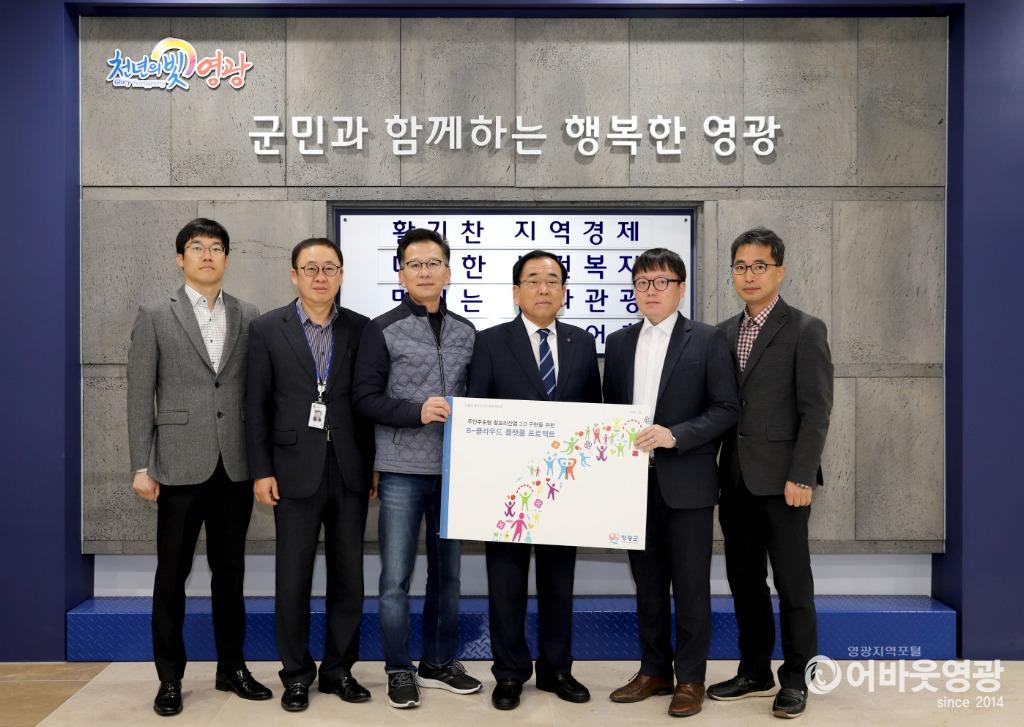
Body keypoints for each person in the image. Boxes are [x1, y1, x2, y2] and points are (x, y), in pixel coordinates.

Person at [127, 218, 270, 716]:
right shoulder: (154, 314)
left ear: (227, 258)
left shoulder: (248, 314)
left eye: (215, 248)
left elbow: (255, 393)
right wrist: (141, 465)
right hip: (177, 465)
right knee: (172, 575)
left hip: (234, 465)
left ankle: (232, 668)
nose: (207, 255)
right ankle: (169, 678)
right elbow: (139, 396)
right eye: (196, 247)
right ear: (180, 259)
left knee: (230, 573)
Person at [603, 248, 739, 718]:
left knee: (691, 586)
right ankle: (654, 671)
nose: (651, 291)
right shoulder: (619, 343)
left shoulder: (707, 340)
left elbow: (726, 409)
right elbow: (611, 412)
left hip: (688, 484)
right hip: (633, 485)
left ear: (680, 288)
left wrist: (675, 435)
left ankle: (692, 678)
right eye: (642, 283)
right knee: (647, 585)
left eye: (661, 282)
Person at [352, 228, 481, 709]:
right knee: (395, 579)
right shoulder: (380, 328)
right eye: (415, 264)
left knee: (448, 577)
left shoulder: (467, 331)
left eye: (433, 263)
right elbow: (364, 399)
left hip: (453, 472)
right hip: (401, 469)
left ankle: (439, 663)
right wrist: (416, 411)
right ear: (401, 273)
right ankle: (398, 668)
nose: (424, 272)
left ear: (448, 272)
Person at [467, 250, 601, 711]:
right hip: (508, 490)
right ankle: (509, 674)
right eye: (533, 280)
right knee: (505, 583)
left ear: (564, 291)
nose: (544, 288)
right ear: (516, 291)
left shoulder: (583, 343)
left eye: (553, 280)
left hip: (563, 486)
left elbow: (594, 414)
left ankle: (557, 669)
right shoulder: (490, 342)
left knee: (558, 582)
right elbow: (477, 412)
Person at [708, 227, 833, 719]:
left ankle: (797, 678)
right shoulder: (722, 332)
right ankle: (754, 670)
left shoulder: (805, 329)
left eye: (759, 266)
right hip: (735, 479)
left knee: (793, 585)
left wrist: (801, 476)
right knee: (745, 582)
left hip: (785, 483)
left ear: (780, 270)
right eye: (741, 266)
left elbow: (816, 410)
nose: (749, 275)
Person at [246, 237, 375, 713]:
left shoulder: (361, 328)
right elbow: (255, 406)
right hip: (291, 471)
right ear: (294, 274)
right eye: (311, 269)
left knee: (349, 578)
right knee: (293, 579)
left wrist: (372, 466)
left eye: (330, 268)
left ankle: (339, 671)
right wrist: (261, 470)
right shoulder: (267, 329)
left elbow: (367, 402)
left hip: (349, 469)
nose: (321, 277)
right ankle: (296, 675)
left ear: (341, 275)